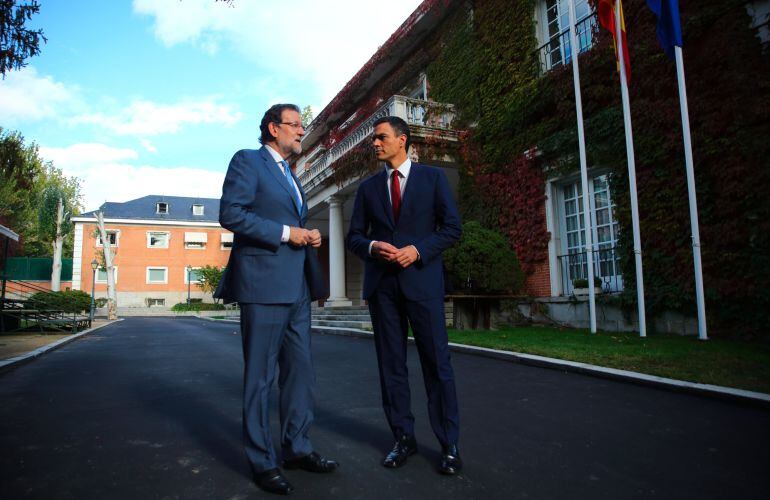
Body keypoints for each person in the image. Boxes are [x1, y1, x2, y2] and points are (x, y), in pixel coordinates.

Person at [217, 103, 338, 495]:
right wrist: (289, 233)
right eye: (296, 125)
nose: (302, 131)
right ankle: (262, 461)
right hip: (262, 286)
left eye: (303, 125)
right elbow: (231, 214)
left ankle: (297, 448)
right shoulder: (248, 162)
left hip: (297, 289)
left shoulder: (291, 175)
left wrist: (308, 234)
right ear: (273, 128)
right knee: (261, 378)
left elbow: (293, 222)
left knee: (301, 373)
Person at [346, 116, 463, 474]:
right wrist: (372, 246)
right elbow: (353, 237)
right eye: (374, 140)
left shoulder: (432, 179)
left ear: (402, 140)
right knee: (391, 367)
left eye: (381, 138)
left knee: (437, 366)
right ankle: (403, 438)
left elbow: (452, 228)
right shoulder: (367, 189)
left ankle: (449, 445)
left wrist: (418, 251)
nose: (375, 144)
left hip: (423, 285)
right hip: (383, 290)